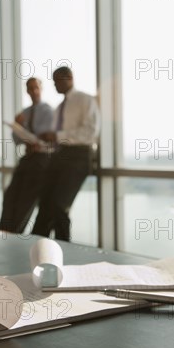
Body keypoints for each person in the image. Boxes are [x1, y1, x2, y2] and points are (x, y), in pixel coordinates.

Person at [32, 66, 100, 241]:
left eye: (57, 81)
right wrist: (44, 142)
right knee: (45, 204)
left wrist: (57, 136)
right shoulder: (59, 108)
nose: (54, 86)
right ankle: (38, 249)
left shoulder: (85, 100)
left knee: (59, 206)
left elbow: (90, 132)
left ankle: (64, 249)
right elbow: (57, 137)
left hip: (78, 157)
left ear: (69, 78)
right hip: (59, 156)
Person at [0, 77, 54, 233]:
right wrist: (18, 125)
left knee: (26, 200)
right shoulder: (24, 113)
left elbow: (43, 137)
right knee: (10, 196)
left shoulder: (48, 111)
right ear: (27, 91)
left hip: (41, 160)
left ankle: (14, 233)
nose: (34, 91)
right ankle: (3, 232)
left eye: (36, 87)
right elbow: (17, 140)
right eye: (30, 88)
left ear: (41, 88)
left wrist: (25, 129)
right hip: (27, 158)